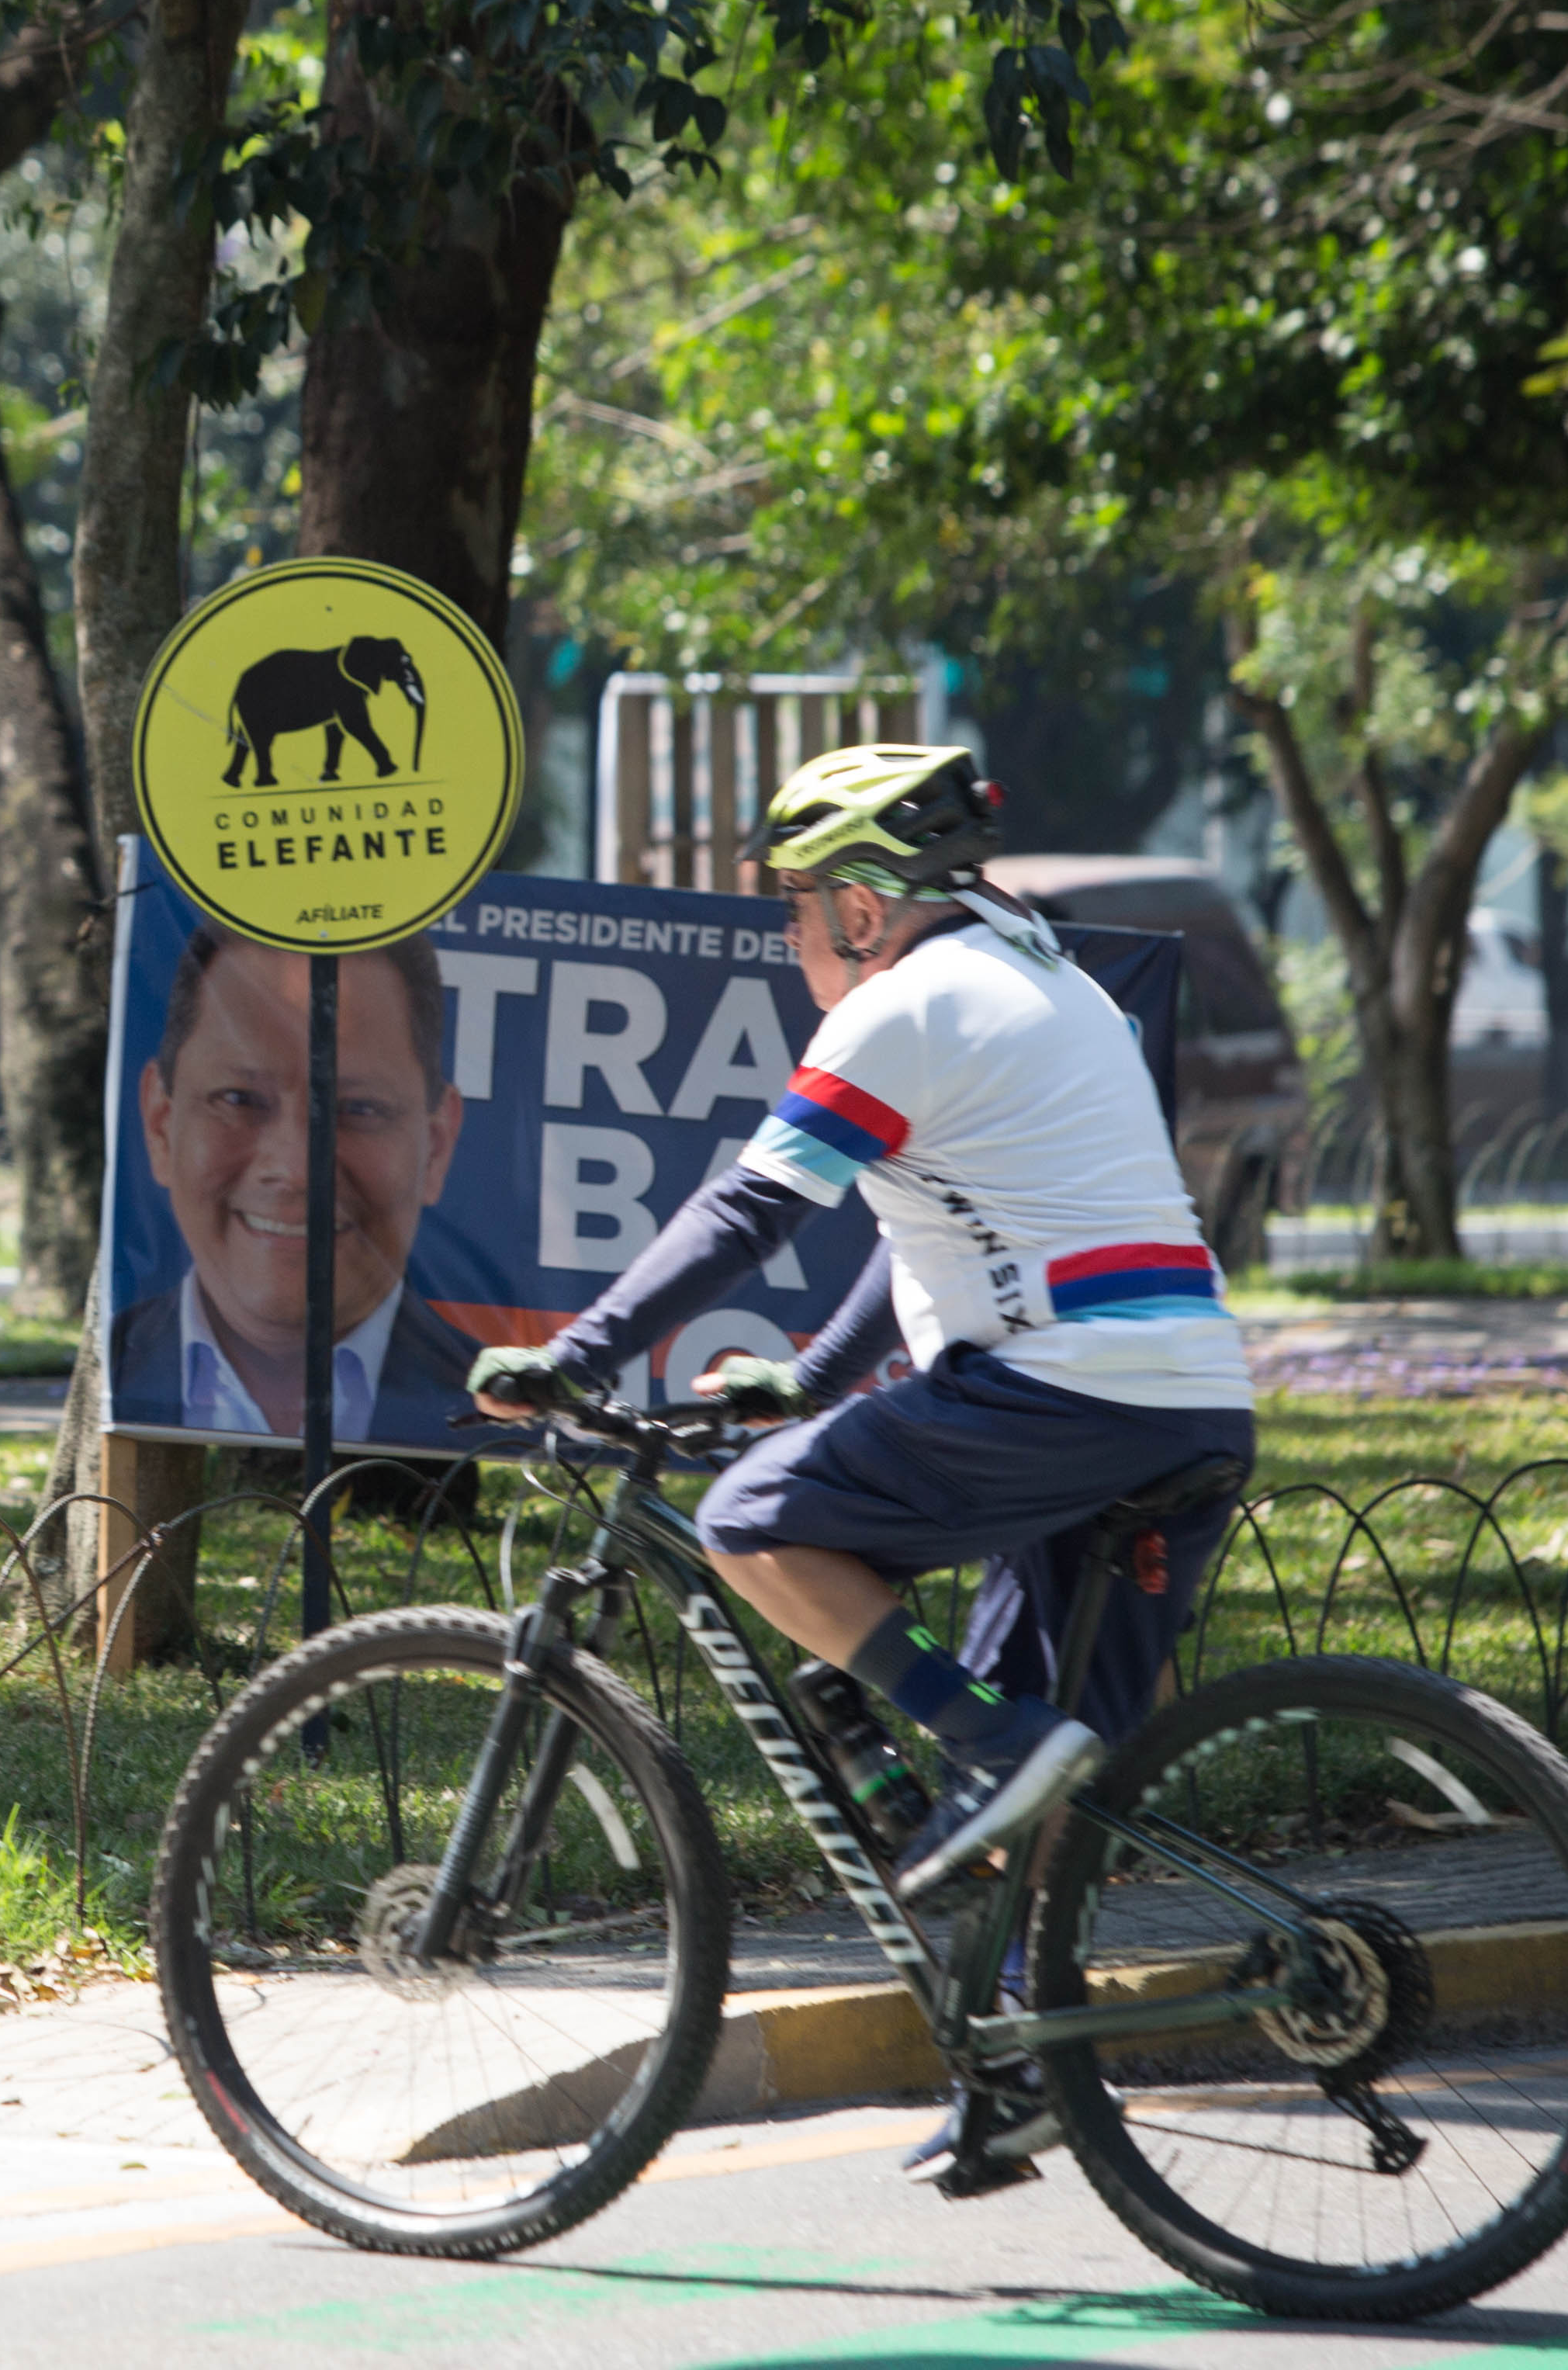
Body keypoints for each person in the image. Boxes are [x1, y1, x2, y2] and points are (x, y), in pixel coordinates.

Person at [467, 742, 1255, 2196]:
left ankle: (987, 1748)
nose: (787, 934)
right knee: (1027, 1797)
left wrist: (579, 1352)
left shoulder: (903, 1005)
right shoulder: (1042, 980)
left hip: (1061, 1390)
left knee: (752, 1519)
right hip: (1189, 1403)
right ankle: (1018, 2069)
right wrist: (814, 1378)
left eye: (798, 902)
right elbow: (931, 1218)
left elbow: (753, 1207)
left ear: (868, 905)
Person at [108, 928, 480, 1444]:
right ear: (160, 1125)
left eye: (360, 1109)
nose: (295, 1170)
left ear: (436, 1147)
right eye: (239, 1099)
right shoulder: (111, 1368)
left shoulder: (499, 1408)